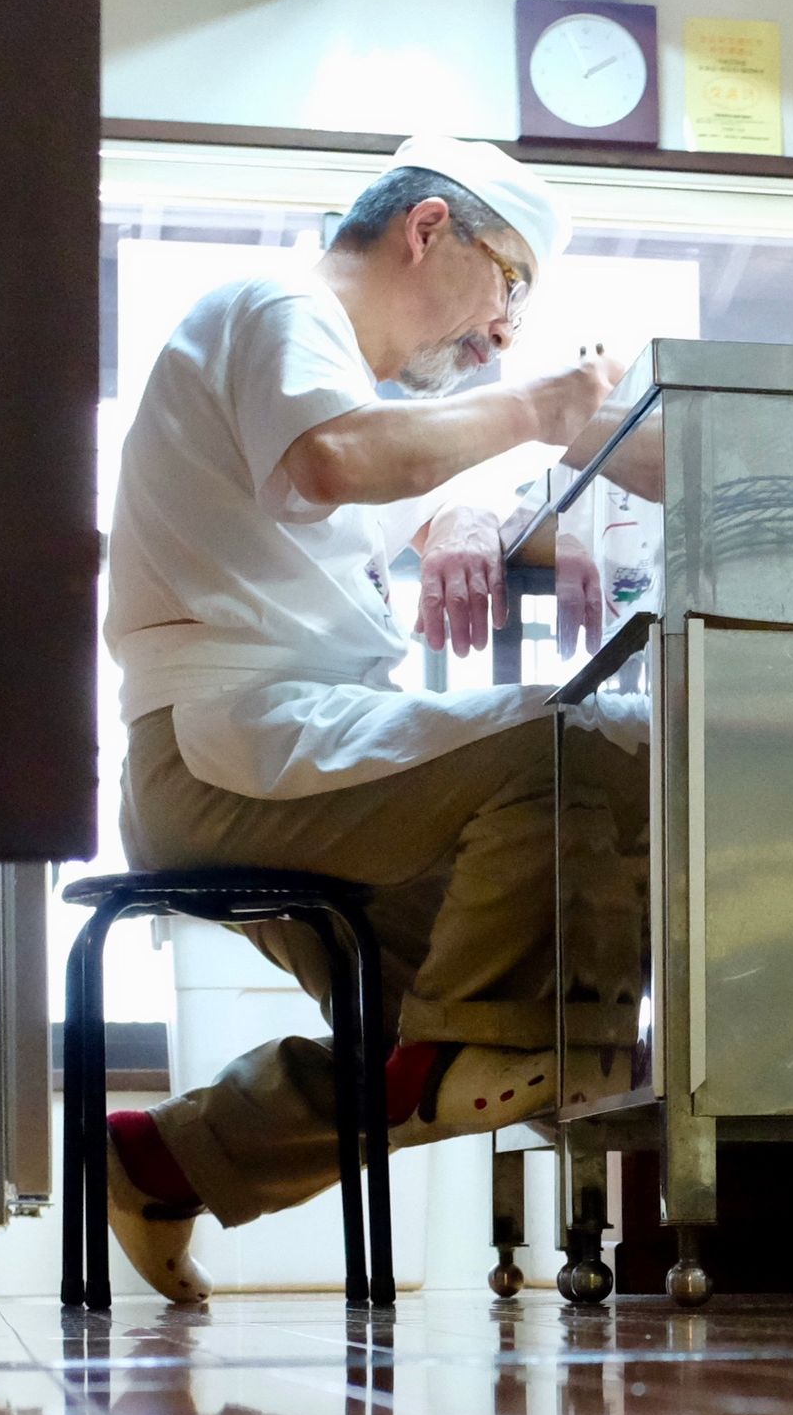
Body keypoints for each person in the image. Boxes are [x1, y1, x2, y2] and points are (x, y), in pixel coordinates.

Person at [97, 137, 645, 1304]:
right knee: (590, 745)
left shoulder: (330, 368)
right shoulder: (281, 305)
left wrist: (463, 509)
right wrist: (539, 412)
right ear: (429, 227)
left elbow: (365, 471)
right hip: (227, 746)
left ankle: (160, 1159)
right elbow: (339, 458)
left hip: (271, 747)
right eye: (511, 285)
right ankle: (491, 1052)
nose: (503, 330)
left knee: (504, 1020)